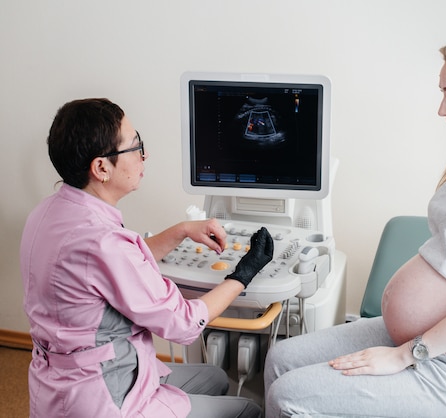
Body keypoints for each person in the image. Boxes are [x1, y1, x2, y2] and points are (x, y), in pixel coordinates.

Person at [264, 32, 446, 417]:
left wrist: (405, 355)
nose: (442, 109)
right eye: (443, 93)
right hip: (420, 334)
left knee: (288, 393)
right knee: (280, 358)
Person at [20, 98, 274, 418]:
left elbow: (113, 269)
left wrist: (181, 230)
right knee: (248, 410)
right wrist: (243, 275)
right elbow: (183, 324)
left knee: (213, 377)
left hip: (59, 383)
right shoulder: (103, 242)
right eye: (135, 145)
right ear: (101, 168)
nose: (144, 154)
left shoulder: (48, 212)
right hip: (102, 398)